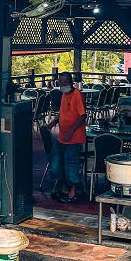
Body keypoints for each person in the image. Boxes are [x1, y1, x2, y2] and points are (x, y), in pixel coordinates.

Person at [42, 72, 86, 203]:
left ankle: (72, 192)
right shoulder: (63, 95)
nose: (62, 84)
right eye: (60, 82)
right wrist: (51, 124)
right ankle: (64, 187)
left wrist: (71, 131)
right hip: (61, 137)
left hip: (74, 138)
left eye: (64, 82)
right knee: (55, 163)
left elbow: (82, 116)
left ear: (70, 81)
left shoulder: (77, 95)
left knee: (72, 164)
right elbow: (61, 113)